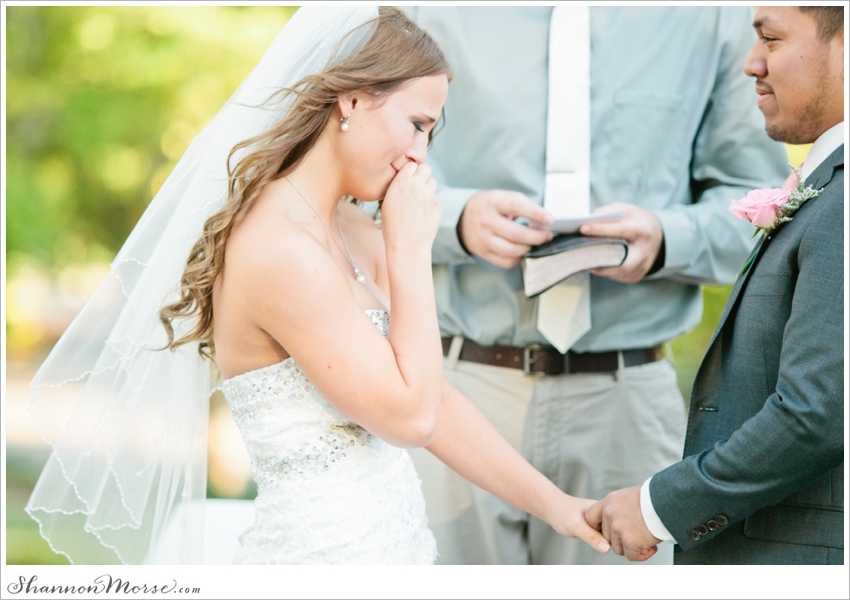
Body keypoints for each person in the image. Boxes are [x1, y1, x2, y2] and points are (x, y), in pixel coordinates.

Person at [26, 6, 608, 565]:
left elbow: (436, 400)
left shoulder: (353, 226)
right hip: (320, 561)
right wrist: (409, 249)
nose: (419, 155)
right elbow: (410, 420)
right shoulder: (279, 251)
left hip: (397, 553)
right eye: (416, 125)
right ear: (351, 100)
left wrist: (558, 508)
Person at [405, 6, 790, 565]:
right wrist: (456, 221)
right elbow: (356, 181)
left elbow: (764, 204)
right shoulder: (426, 12)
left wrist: (667, 238)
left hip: (626, 401)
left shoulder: (713, 18)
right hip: (456, 390)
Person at [586, 5, 845, 565]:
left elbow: (818, 413)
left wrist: (658, 507)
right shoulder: (826, 184)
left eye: (771, 40)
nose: (752, 64)